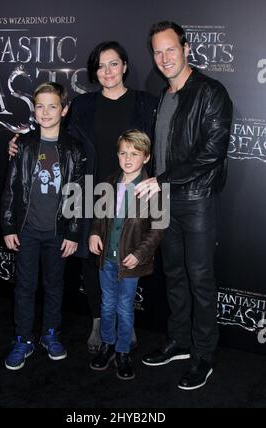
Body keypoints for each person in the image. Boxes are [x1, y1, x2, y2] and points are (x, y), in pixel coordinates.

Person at [8, 41, 157, 353]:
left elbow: (155, 146)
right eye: (101, 66)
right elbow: (55, 136)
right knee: (92, 259)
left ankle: (123, 323)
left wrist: (154, 180)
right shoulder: (83, 105)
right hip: (88, 191)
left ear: (125, 66)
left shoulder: (146, 103)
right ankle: (98, 320)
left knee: (127, 256)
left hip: (128, 192)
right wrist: (20, 140)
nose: (107, 71)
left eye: (113, 64)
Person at [135, 21, 233, 390]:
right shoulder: (163, 95)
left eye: (170, 49)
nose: (164, 58)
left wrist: (161, 180)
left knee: (200, 278)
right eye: (157, 52)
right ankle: (179, 341)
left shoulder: (210, 92)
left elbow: (212, 152)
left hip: (195, 200)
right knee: (173, 274)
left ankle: (203, 354)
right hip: (163, 201)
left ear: (186, 48)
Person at [1, 82, 86, 370]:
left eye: (52, 106)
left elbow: (78, 191)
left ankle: (50, 333)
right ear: (33, 110)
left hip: (57, 232)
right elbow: (11, 188)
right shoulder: (23, 144)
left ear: (64, 109)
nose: (46, 112)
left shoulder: (74, 148)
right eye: (40, 106)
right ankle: (23, 338)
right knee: (24, 286)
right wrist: (9, 226)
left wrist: (73, 231)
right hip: (27, 231)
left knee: (54, 285)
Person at [89, 130, 165, 380]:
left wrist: (139, 254)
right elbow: (100, 217)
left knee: (124, 307)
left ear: (146, 157)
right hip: (106, 259)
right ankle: (107, 345)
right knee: (107, 304)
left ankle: (122, 351)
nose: (128, 158)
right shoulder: (109, 182)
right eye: (123, 153)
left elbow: (158, 229)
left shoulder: (154, 189)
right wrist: (94, 234)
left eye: (135, 153)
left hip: (130, 261)